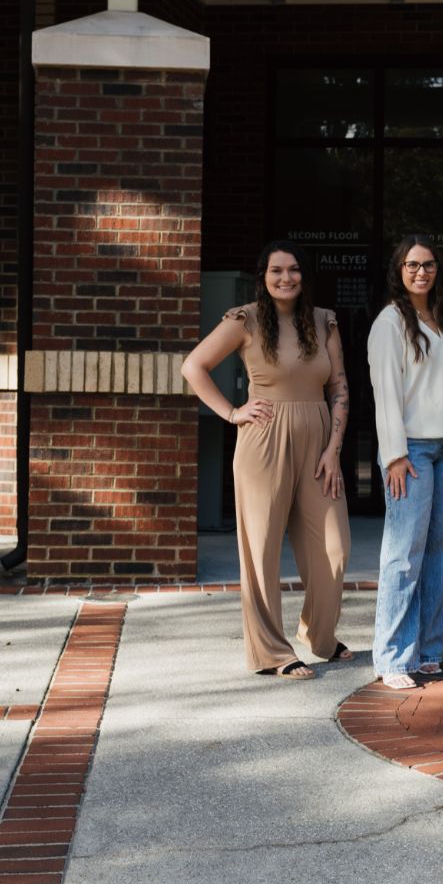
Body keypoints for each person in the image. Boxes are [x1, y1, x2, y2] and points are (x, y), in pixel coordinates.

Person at [182, 240, 353, 679]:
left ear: (303, 275)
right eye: (276, 270)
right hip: (262, 443)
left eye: (294, 270)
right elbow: (194, 366)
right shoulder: (246, 320)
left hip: (318, 445)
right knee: (260, 550)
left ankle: (319, 636)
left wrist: (334, 450)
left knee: (335, 546)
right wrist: (232, 412)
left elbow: (339, 389)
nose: (286, 278)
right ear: (264, 276)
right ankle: (272, 653)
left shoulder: (324, 321)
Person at [368, 236, 443, 691]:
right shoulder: (390, 322)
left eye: (428, 265)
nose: (421, 272)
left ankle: (428, 650)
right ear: (399, 269)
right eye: (412, 265)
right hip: (411, 450)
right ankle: (392, 656)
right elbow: (385, 391)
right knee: (404, 552)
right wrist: (392, 453)